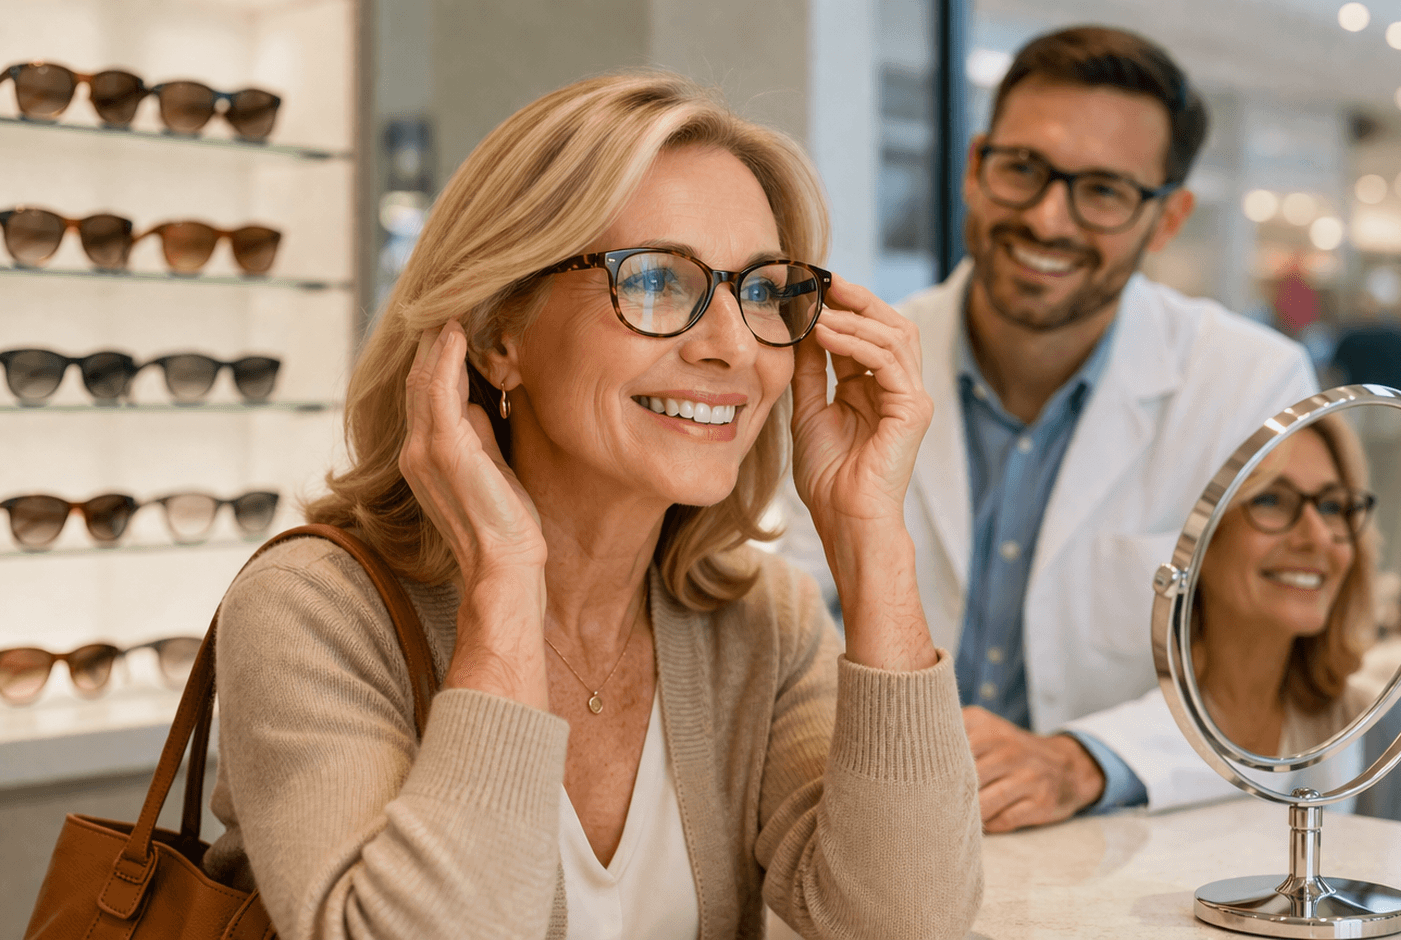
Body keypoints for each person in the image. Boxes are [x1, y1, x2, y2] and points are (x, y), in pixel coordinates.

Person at [202, 72, 982, 940]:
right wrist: (503, 585)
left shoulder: (761, 619)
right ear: (501, 333)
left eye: (761, 291)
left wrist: (871, 539)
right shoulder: (314, 609)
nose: (729, 346)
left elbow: (908, 921)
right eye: (654, 280)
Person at [780, 25, 1317, 828]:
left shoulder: (1248, 384)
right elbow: (783, 615)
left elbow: (1282, 675)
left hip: (1118, 860)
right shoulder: (849, 368)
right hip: (877, 828)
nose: (1047, 218)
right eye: (1022, 169)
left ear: (1167, 219)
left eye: (1102, 190)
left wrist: (1083, 762)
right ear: (972, 168)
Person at [1192, 418, 1384, 757]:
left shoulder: (1367, 723)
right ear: (1199, 537)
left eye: (1331, 506)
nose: (1318, 537)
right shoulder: (1125, 722)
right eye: (1271, 500)